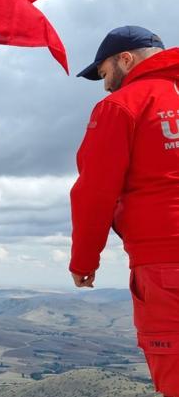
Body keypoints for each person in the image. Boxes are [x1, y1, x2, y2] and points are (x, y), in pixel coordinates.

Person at [70, 25, 179, 396]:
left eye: (104, 74)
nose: (105, 86)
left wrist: (84, 262)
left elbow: (95, 192)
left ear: (125, 59)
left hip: (166, 265)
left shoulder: (123, 105)